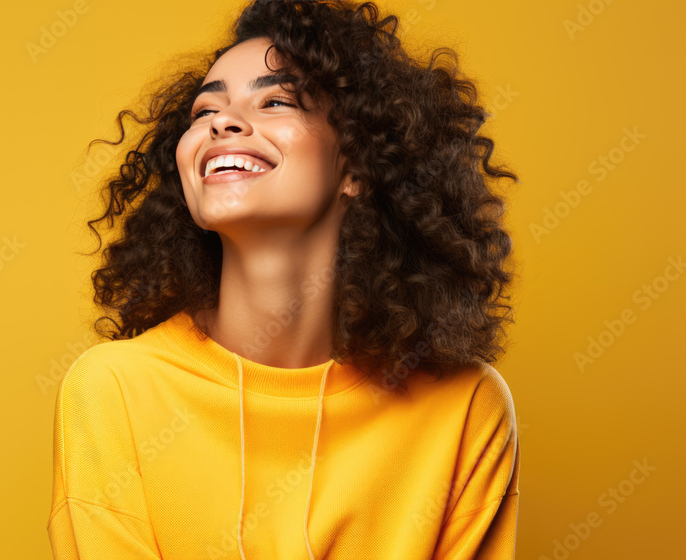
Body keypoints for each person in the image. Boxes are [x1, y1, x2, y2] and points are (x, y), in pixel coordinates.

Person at [48, 1, 521, 558]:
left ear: (357, 168)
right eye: (205, 111)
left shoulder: (464, 407)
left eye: (276, 101)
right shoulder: (114, 393)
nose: (222, 122)